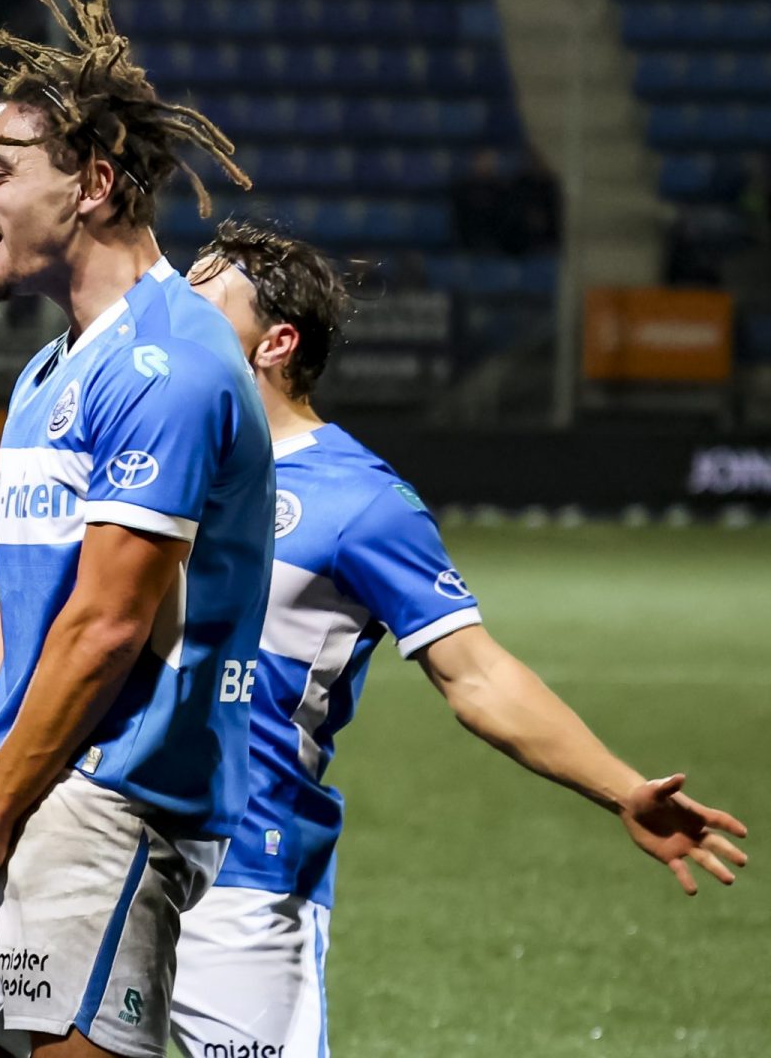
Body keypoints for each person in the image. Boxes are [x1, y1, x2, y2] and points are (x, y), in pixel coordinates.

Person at [169, 220, 750, 1058]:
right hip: (110, 843)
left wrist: (622, 788)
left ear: (276, 342)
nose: (175, 309)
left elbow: (475, 676)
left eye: (202, 294)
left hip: (244, 877)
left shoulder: (358, 502)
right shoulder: (163, 456)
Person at [0, 0, 268, 1056]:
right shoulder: (52, 370)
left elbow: (104, 626)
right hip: (17, 780)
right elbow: (27, 598)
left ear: (92, 186)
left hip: (109, 801)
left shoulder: (172, 361)